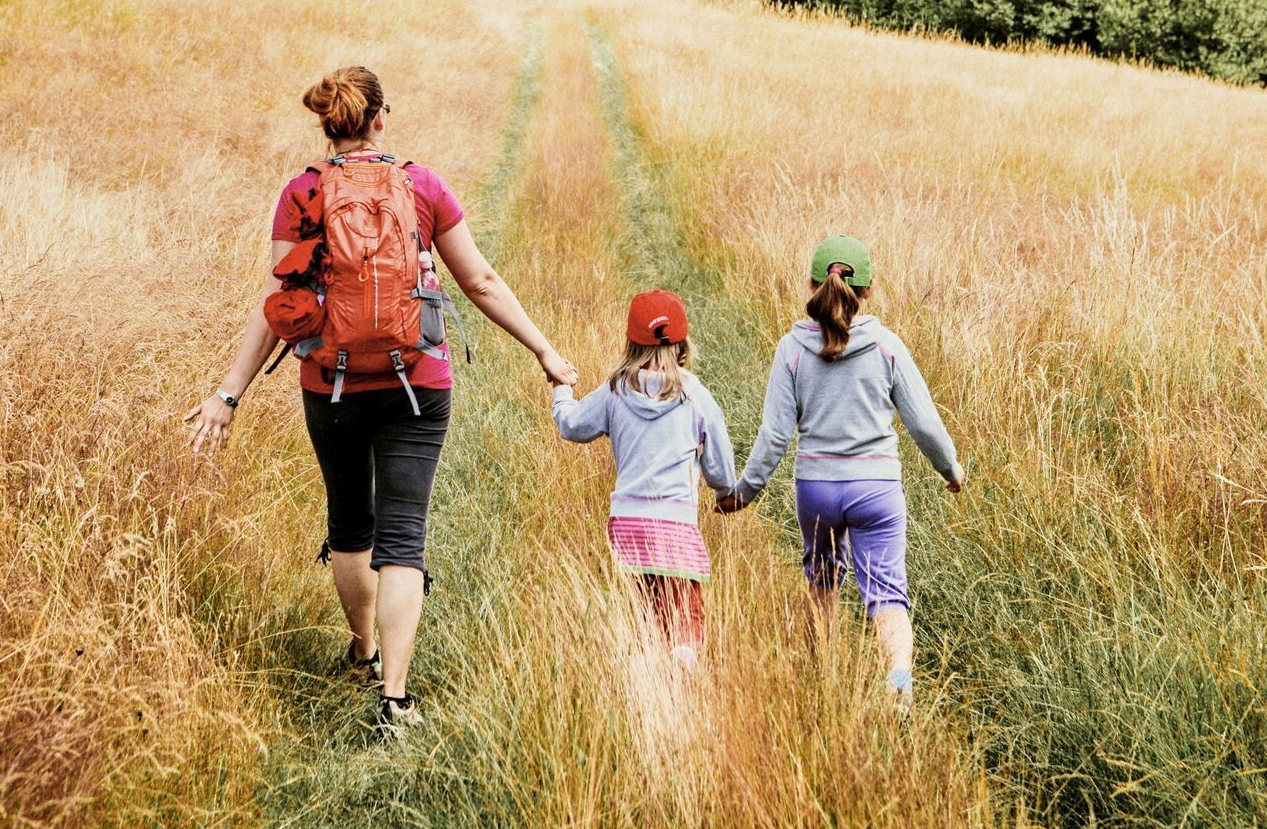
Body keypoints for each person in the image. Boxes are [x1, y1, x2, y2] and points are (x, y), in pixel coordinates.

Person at [184, 65, 577, 735]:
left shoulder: (302, 194)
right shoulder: (420, 185)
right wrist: (543, 350)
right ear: (381, 118)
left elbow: (282, 305)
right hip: (417, 384)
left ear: (327, 123)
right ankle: (394, 700)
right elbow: (478, 279)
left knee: (349, 525)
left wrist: (229, 393)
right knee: (403, 537)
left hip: (329, 383)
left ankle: (362, 651)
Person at [717, 235, 963, 705]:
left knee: (822, 584)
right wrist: (949, 468)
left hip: (817, 490)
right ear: (867, 292)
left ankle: (823, 691)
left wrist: (743, 493)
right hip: (877, 490)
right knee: (887, 596)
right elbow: (925, 424)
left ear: (812, 286)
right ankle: (899, 694)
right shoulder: (887, 347)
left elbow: (773, 437)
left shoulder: (790, 350)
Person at [552, 289, 735, 669]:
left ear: (630, 341)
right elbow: (719, 465)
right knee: (685, 615)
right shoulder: (695, 395)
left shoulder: (616, 391)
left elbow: (571, 426)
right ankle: (681, 676)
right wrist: (723, 491)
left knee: (645, 616)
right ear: (683, 343)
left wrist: (562, 392)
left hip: (628, 527)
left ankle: (646, 678)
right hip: (676, 527)